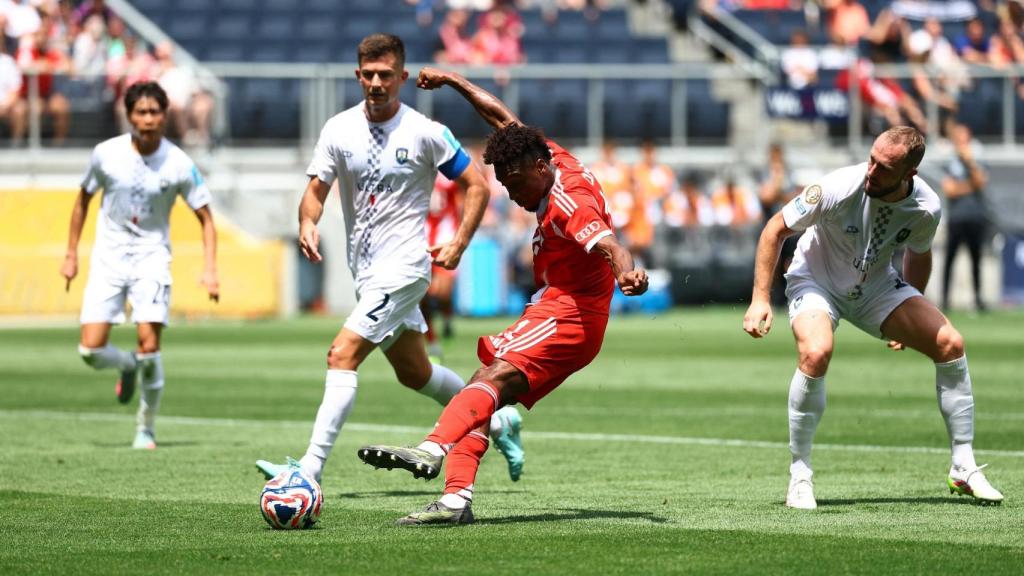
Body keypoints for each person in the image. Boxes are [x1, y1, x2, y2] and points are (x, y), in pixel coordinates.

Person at [356, 66, 650, 526]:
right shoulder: (549, 156)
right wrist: (453, 81)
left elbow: (610, 245)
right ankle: (455, 501)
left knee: (490, 378)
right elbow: (501, 118)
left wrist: (627, 275)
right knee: (486, 385)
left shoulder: (570, 203)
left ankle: (432, 448)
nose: (510, 194)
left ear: (539, 170)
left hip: (570, 313)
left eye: (513, 183)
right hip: (562, 310)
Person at [254, 34, 524, 486]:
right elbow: (315, 191)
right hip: (366, 272)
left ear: (401, 77)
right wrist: (307, 221)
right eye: (369, 74)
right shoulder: (338, 130)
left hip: (404, 270)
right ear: (357, 75)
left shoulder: (425, 131)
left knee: (341, 356)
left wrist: (458, 242)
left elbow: (476, 184)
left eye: (386, 75)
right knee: (414, 373)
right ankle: (499, 423)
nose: (376, 83)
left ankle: (309, 470)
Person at [742, 126, 1004, 509]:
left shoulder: (926, 207)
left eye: (884, 168)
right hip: (816, 282)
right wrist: (760, 299)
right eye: (871, 160)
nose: (871, 171)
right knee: (816, 353)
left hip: (876, 289)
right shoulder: (837, 186)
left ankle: (962, 467)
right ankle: (800, 476)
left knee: (951, 343)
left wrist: (912, 301)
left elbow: (919, 252)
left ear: (908, 174)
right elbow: (774, 230)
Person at [60, 81, 219, 450]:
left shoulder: (179, 163)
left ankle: (145, 428)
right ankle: (126, 365)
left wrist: (210, 269)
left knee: (150, 347)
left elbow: (206, 218)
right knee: (90, 351)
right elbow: (82, 200)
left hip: (152, 259)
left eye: (155, 112)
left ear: (165, 115)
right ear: (129, 115)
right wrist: (71, 254)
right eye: (141, 112)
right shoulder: (105, 154)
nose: (148, 120)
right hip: (108, 259)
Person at [941, 122, 989, 312]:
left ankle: (978, 298)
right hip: (956, 218)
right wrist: (969, 186)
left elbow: (980, 182)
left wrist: (969, 164)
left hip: (976, 217)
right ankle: (945, 300)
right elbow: (950, 190)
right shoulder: (950, 161)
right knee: (949, 260)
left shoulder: (977, 159)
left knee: (976, 260)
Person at [421, 172, 462, 362]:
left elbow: (466, 195)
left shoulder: (450, 173)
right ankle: (433, 344)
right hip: (421, 237)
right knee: (423, 295)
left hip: (445, 237)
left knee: (442, 293)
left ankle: (446, 318)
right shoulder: (415, 169)